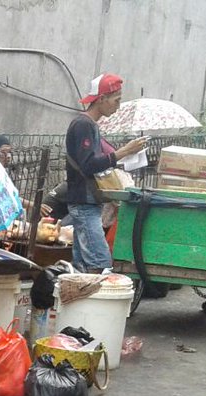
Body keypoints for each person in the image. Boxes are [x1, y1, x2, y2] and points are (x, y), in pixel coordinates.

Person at [64, 73, 148, 272]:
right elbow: (88, 165)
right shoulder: (84, 124)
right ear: (101, 99)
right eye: (116, 100)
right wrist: (124, 152)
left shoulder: (89, 125)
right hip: (84, 202)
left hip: (87, 202)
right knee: (100, 262)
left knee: (82, 264)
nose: (118, 106)